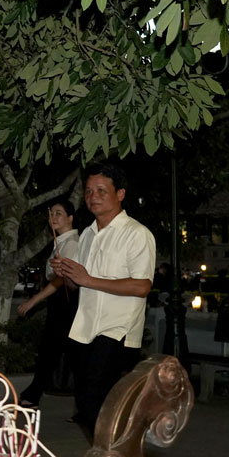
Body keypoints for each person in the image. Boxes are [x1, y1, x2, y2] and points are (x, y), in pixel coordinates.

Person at [51, 162, 156, 429]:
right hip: (86, 328)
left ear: (120, 194)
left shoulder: (137, 234)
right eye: (88, 191)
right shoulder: (87, 234)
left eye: (101, 190)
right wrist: (67, 274)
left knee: (99, 402)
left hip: (117, 330)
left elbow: (142, 286)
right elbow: (79, 286)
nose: (93, 197)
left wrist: (88, 279)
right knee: (88, 405)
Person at [15, 198, 80, 407]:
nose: (54, 217)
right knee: (58, 352)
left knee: (52, 352)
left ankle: (33, 395)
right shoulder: (60, 242)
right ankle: (35, 394)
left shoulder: (71, 244)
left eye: (59, 213)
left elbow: (61, 280)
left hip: (67, 303)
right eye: (52, 214)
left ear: (70, 218)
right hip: (60, 303)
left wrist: (33, 300)